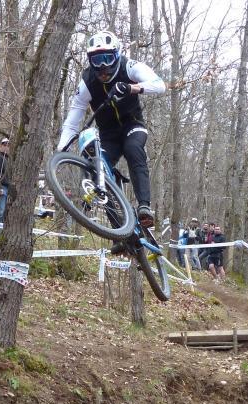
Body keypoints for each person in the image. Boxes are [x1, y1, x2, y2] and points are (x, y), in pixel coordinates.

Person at [56, 30, 166, 254]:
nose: (102, 66)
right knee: (99, 172)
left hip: (132, 124)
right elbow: (74, 115)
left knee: (133, 148)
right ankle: (120, 232)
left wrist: (133, 87)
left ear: (117, 55)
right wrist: (61, 148)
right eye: (96, 60)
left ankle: (144, 207)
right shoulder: (87, 80)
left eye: (107, 58)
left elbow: (160, 85)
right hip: (107, 134)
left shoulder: (129, 66)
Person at [0, 138, 11, 223]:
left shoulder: (9, 159)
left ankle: (1, 232)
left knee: (5, 212)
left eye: (8, 145)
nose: (6, 147)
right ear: (1, 146)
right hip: (1, 187)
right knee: (0, 211)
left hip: (9, 187)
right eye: (4, 145)